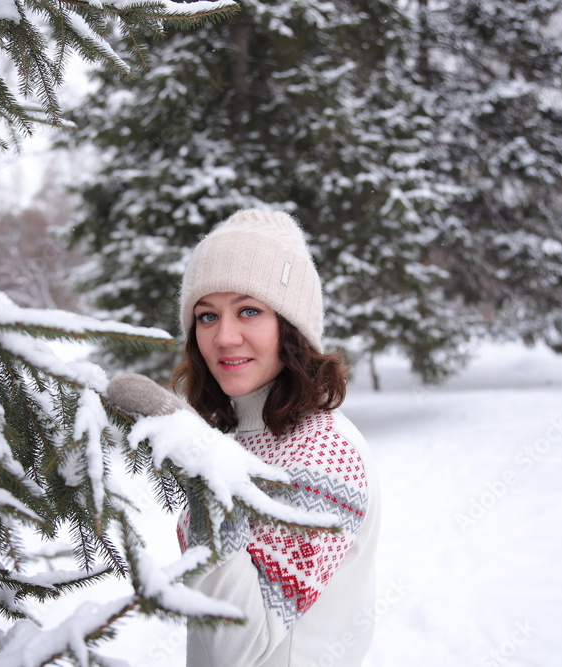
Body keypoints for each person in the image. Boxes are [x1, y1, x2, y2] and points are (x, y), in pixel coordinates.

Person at [112, 209, 380, 666]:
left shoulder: (326, 454)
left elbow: (242, 647)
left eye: (249, 310)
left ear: (291, 327)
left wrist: (197, 457)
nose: (224, 336)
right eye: (207, 316)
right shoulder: (236, 434)